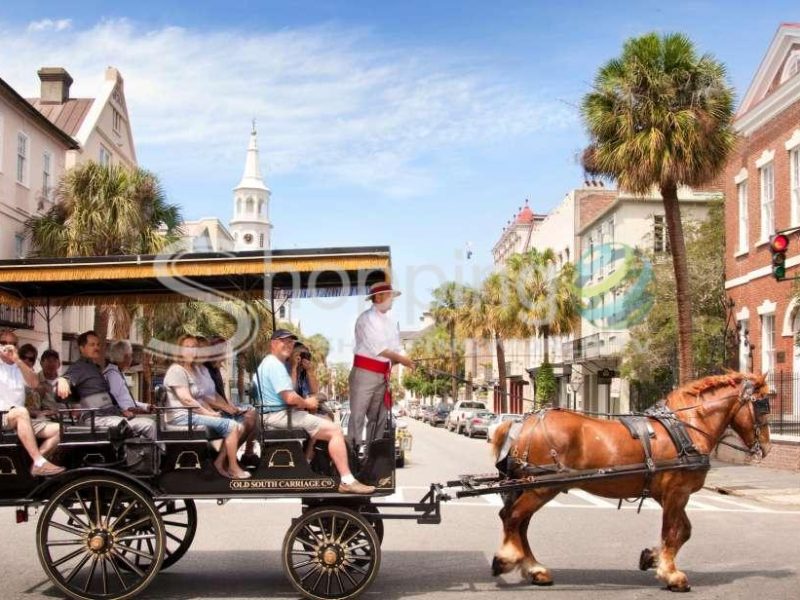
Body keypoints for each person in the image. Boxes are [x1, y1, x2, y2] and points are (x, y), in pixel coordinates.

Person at [256, 329, 374, 494]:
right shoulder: (274, 365)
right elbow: (290, 397)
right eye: (285, 341)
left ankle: (323, 465)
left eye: (291, 342)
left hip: (276, 414)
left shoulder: (270, 363)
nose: (289, 345)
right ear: (273, 343)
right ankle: (347, 480)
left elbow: (293, 394)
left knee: (326, 420)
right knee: (334, 430)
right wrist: (307, 402)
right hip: (279, 416)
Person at [163, 335, 251, 480]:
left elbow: (201, 398)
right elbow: (187, 400)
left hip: (193, 416)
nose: (192, 351)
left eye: (195, 348)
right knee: (232, 426)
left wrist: (213, 411)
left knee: (238, 425)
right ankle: (233, 468)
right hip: (182, 418)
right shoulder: (176, 370)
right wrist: (208, 414)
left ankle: (222, 462)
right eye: (188, 348)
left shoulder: (192, 370)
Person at [348, 282, 414, 456]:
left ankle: (372, 456)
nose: (392, 300)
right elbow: (380, 349)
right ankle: (352, 455)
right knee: (358, 416)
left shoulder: (391, 323)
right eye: (389, 296)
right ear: (378, 297)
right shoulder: (366, 319)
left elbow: (393, 351)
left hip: (382, 375)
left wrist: (403, 360)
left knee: (378, 417)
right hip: (364, 374)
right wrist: (403, 360)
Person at [55, 331, 156, 439]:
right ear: (82, 348)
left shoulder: (95, 368)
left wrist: (121, 411)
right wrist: (62, 380)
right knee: (149, 425)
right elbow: (68, 377)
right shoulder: (80, 367)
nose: (96, 347)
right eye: (92, 345)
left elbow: (109, 397)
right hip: (97, 419)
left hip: (109, 416)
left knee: (148, 425)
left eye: (98, 344)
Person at [0, 329, 64, 476]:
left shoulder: (19, 366)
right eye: (3, 343)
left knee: (60, 430)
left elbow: (35, 384)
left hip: (20, 418)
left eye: (12, 344)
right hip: (3, 416)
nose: (7, 346)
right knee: (21, 412)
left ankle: (35, 464)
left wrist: (17, 360)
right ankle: (39, 461)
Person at [103, 340, 152, 414]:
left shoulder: (117, 373)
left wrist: (145, 406)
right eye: (130, 355)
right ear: (125, 356)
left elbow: (126, 400)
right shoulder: (113, 375)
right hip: (125, 417)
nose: (131, 359)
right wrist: (133, 410)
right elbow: (114, 402)